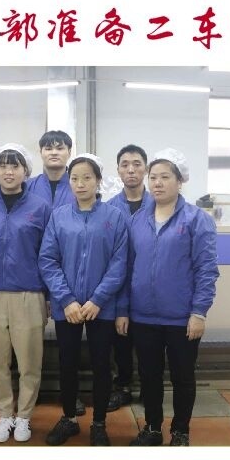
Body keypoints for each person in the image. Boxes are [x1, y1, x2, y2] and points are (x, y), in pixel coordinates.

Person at [123, 148, 218, 447]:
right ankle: (152, 428)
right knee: (148, 376)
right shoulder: (138, 219)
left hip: (182, 318)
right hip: (143, 316)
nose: (157, 183)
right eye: (153, 177)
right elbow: (127, 267)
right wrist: (124, 309)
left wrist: (199, 312)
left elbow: (206, 269)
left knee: (182, 377)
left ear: (180, 181)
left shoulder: (196, 220)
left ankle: (180, 431)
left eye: (165, 177)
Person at [39, 154, 128, 446]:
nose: (80, 184)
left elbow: (119, 263)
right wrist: (66, 300)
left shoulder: (114, 217)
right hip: (68, 307)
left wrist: (98, 299)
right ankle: (69, 419)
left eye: (87, 178)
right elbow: (48, 260)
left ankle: (99, 423)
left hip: (102, 307)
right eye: (75, 178)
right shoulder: (59, 216)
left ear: (98, 181)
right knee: (68, 363)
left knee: (102, 365)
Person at [0, 144, 51, 443]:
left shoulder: (40, 208)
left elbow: (49, 254)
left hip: (28, 293)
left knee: (30, 362)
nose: (8, 171)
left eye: (15, 165)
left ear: (25, 171)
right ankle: (5, 414)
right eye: (3, 165)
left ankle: (25, 417)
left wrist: (48, 296)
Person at [26, 129, 85, 416]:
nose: (54, 152)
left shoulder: (78, 185)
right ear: (40, 152)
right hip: (32, 273)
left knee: (68, 344)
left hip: (70, 275)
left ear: (69, 152)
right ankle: (30, 392)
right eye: (48, 148)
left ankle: (71, 395)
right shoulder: (28, 187)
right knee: (28, 338)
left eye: (60, 147)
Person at [105, 144, 148, 411]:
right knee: (120, 342)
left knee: (148, 342)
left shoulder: (159, 205)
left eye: (136, 164)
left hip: (149, 288)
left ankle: (148, 386)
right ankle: (122, 387)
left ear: (146, 168)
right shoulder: (109, 209)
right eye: (125, 164)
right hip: (118, 287)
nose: (131, 169)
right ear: (118, 170)